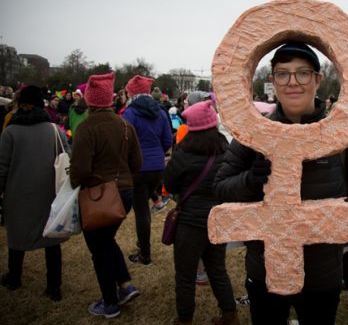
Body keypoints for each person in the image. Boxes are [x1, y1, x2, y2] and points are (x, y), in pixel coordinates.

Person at [213, 41, 348, 325]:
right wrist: (251, 180)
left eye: (302, 73)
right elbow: (220, 187)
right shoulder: (251, 133)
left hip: (322, 274)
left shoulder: (344, 134)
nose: (292, 82)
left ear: (318, 79)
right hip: (264, 270)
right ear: (272, 81)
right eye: (283, 73)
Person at [70, 73, 143, 318]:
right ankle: (125, 285)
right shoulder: (125, 125)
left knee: (98, 249)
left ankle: (110, 303)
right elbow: (137, 163)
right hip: (125, 193)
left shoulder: (86, 128)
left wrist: (72, 184)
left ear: (90, 101)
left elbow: (80, 170)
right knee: (106, 241)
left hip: (99, 196)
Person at [164, 101, 239, 325]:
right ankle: (230, 314)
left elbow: (170, 183)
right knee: (217, 269)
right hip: (217, 219)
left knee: (185, 275)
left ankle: (185, 320)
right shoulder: (226, 149)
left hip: (190, 223)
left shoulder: (184, 150)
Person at [0, 86, 68, 301]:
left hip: (18, 193)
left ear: (21, 106)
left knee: (17, 238)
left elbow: (2, 167)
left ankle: (14, 277)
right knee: (52, 239)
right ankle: (54, 286)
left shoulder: (10, 132)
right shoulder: (55, 130)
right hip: (49, 193)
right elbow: (67, 157)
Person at [123, 75, 173, 265]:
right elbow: (168, 139)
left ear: (133, 92)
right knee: (144, 207)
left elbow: (125, 140)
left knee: (142, 211)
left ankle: (145, 254)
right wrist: (157, 152)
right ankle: (142, 243)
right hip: (157, 166)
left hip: (138, 167)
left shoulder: (130, 113)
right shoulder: (160, 111)